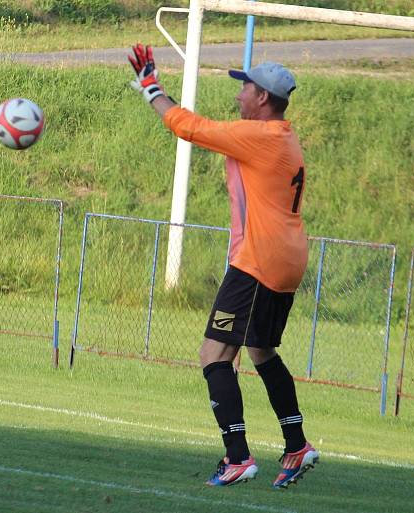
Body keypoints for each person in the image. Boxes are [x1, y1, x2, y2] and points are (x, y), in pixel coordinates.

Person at [128, 44, 319, 489]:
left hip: (259, 258)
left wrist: (151, 86)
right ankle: (297, 444)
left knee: (213, 354)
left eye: (245, 88)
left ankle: (237, 457)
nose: (239, 95)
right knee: (260, 349)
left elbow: (188, 126)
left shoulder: (261, 137)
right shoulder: (283, 136)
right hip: (288, 256)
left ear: (264, 99)